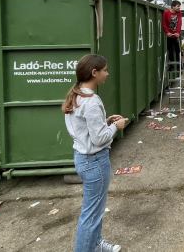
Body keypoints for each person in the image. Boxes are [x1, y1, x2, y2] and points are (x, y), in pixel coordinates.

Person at [62, 54, 127, 252]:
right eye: (105, 70)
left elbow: (86, 130)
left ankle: (96, 244)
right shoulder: (91, 101)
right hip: (95, 162)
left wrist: (105, 122)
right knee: (91, 214)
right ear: (94, 73)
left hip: (83, 159)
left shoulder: (77, 95)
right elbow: (99, 139)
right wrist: (116, 127)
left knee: (95, 210)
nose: (107, 74)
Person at [162, 0, 182, 68]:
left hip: (175, 35)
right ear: (173, 7)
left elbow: (179, 23)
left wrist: (178, 33)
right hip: (169, 35)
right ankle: (171, 66)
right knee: (170, 51)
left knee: (177, 51)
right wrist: (167, 32)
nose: (179, 8)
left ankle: (179, 65)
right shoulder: (166, 12)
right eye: (178, 6)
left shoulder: (179, 13)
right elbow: (164, 24)